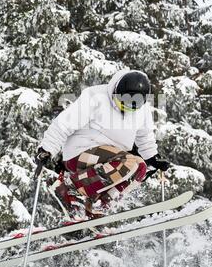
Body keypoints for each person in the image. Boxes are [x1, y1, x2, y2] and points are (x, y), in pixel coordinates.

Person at [35, 69, 170, 219]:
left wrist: (152, 157)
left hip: (111, 160)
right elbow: (64, 124)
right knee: (128, 162)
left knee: (140, 167)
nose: (128, 107)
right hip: (80, 153)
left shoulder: (142, 110)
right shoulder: (96, 97)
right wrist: (47, 149)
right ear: (116, 93)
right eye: (123, 101)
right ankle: (68, 188)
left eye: (135, 104)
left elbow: (145, 137)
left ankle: (98, 205)